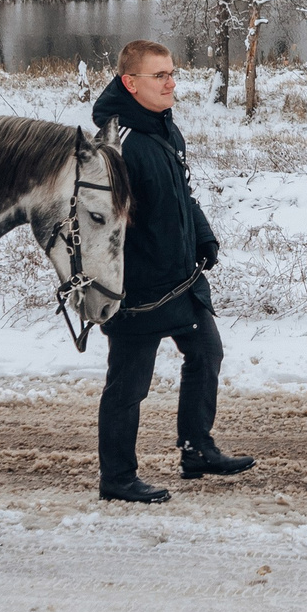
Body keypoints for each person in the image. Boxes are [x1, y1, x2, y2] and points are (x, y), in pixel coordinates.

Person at [90, 40, 254, 503]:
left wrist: (203, 236)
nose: (171, 83)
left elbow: (182, 194)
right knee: (128, 386)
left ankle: (196, 449)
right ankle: (117, 478)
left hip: (181, 278)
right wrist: (118, 286)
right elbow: (102, 228)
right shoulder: (116, 146)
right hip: (137, 291)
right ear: (130, 83)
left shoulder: (164, 128)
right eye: (160, 75)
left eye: (172, 73)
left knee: (206, 353)